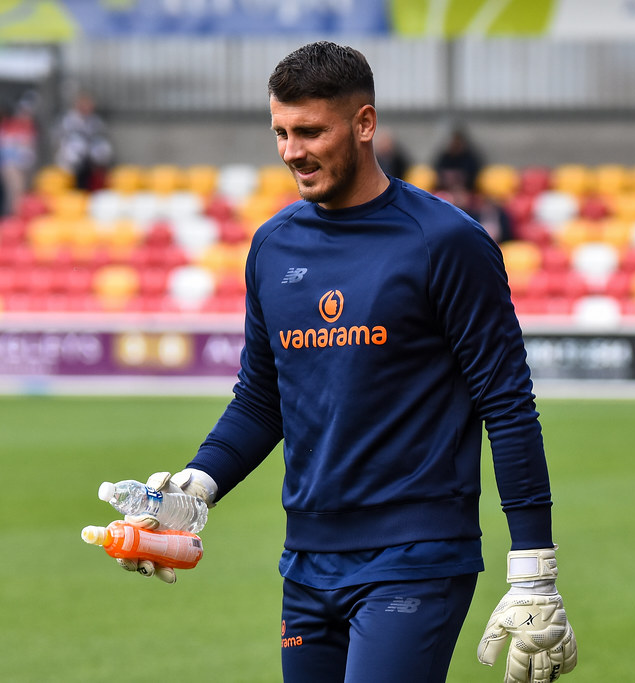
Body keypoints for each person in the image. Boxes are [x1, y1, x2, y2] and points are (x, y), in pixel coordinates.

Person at [106, 41, 577, 683]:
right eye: (280, 132)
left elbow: (508, 404)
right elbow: (261, 400)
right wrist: (195, 487)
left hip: (417, 556)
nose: (291, 151)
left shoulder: (446, 242)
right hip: (306, 562)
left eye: (310, 132)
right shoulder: (272, 246)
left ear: (364, 124)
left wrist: (534, 570)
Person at [54, 91, 113, 191]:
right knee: (77, 148)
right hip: (72, 160)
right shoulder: (68, 120)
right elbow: (60, 139)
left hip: (90, 160)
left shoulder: (95, 121)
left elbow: (100, 139)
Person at [433, 124, 483, 193]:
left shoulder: (471, 159)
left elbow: (474, 178)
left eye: (458, 143)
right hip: (445, 191)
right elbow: (438, 174)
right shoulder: (444, 158)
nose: (455, 145)